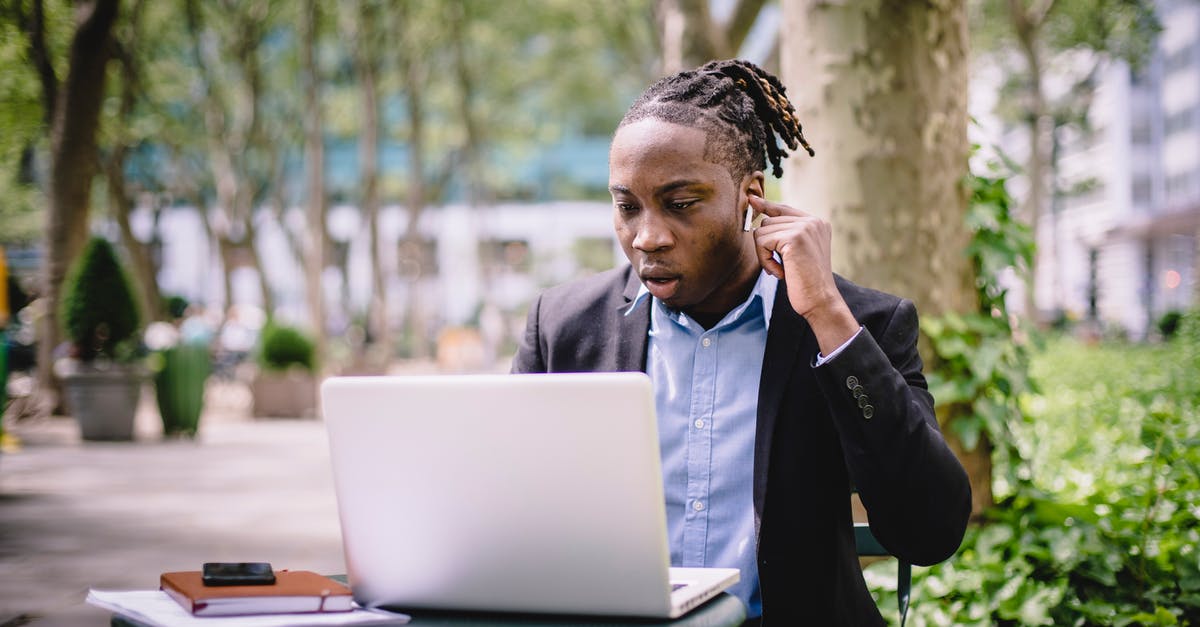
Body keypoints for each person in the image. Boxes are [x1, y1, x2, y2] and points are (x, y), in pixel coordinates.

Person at [512, 59, 971, 625]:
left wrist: (826, 314)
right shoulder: (563, 327)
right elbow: (510, 510)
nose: (648, 237)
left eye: (681, 204)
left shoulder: (858, 325)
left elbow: (929, 530)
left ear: (750, 196)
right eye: (627, 207)